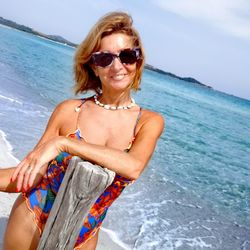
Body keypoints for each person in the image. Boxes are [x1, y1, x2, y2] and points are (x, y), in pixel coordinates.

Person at [0, 11, 164, 250]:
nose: (117, 66)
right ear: (94, 67)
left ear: (137, 62)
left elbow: (133, 165)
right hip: (31, 220)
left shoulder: (149, 122)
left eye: (127, 56)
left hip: (82, 237)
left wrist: (64, 144)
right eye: (105, 59)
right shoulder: (69, 111)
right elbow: (29, 175)